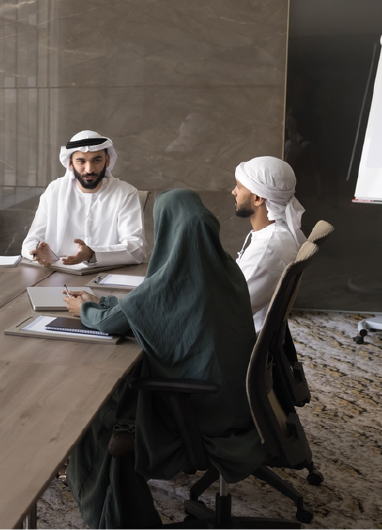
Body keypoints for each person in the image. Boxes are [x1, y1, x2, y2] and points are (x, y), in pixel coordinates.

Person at [62, 189, 264, 530]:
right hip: (235, 399)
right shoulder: (225, 270)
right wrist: (103, 300)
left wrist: (82, 308)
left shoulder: (173, 278)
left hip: (196, 407)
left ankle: (114, 518)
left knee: (101, 414)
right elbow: (139, 307)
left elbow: (114, 321)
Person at [21, 130, 148, 267]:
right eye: (81, 161)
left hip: (106, 276)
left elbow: (137, 248)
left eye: (96, 160)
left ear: (107, 160)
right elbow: (31, 241)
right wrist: (36, 253)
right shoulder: (54, 191)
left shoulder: (125, 192)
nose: (89, 169)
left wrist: (93, 253)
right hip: (58, 274)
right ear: (71, 163)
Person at [232, 156, 306, 330]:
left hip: (239, 340)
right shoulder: (275, 234)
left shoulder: (268, 248)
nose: (233, 192)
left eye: (239, 186)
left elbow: (231, 311)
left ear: (258, 198)